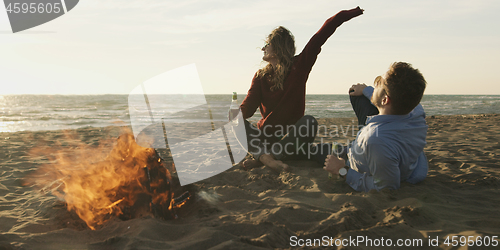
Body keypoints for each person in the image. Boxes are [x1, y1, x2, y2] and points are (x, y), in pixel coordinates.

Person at [238, 7, 364, 172]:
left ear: (277, 47)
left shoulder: (300, 66)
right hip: (265, 138)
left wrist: (343, 15)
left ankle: (265, 158)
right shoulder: (261, 77)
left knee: (309, 122)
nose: (263, 48)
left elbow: (320, 37)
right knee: (235, 121)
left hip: (291, 140)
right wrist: (236, 114)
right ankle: (267, 158)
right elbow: (248, 107)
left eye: (266, 44)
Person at [324, 62, 428, 192]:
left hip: (361, 159)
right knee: (358, 96)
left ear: (385, 100)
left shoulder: (376, 140)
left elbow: (386, 187)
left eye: (379, 83)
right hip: (395, 154)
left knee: (321, 154)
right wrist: (365, 90)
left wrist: (342, 170)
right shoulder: (416, 110)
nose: (375, 84)